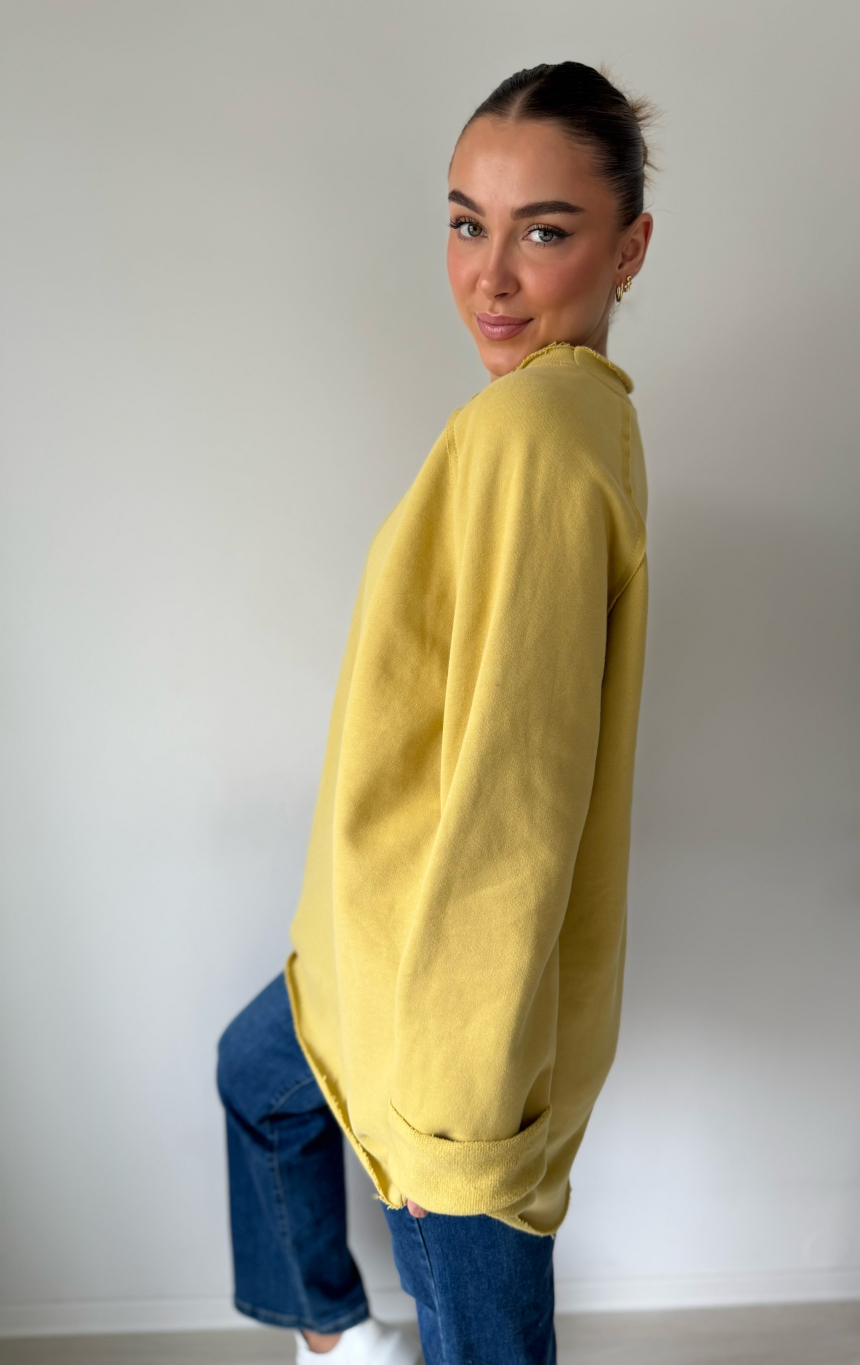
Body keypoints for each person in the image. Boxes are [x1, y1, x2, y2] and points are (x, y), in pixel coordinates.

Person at [216, 61, 654, 1365]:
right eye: (468, 224)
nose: (490, 278)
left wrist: (449, 1109)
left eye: (545, 233)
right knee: (260, 1074)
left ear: (631, 247)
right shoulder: (575, 414)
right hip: (370, 948)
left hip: (442, 1026)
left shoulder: (534, 438)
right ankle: (342, 1341)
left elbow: (517, 792)